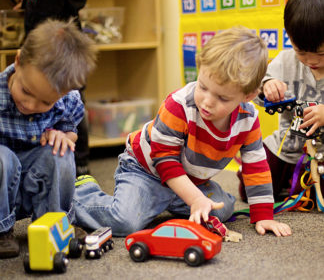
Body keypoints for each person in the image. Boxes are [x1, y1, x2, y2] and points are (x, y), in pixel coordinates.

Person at [73, 27, 291, 238]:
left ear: (248, 95)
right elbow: (165, 160)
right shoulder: (178, 105)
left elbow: (256, 166)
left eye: (222, 98)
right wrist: (195, 198)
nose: (207, 102)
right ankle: (81, 194)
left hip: (189, 178)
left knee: (222, 211)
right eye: (203, 87)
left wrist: (263, 216)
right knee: (126, 221)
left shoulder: (249, 118)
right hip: (147, 171)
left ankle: (171, 198)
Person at [0, 19, 96, 258]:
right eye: (26, 91)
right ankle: (2, 231)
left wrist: (63, 136)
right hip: (3, 184)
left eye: (45, 103)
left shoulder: (67, 100)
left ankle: (55, 223)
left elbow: (70, 131)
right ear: (19, 61)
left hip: (38, 181)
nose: (30, 105)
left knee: (61, 152)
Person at [238, 0, 324, 202]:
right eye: (301, 52)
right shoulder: (286, 61)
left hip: (322, 154)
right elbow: (254, 92)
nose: (312, 61)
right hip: (286, 146)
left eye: (321, 54)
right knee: (251, 192)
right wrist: (267, 86)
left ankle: (301, 187)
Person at [13, 0, 91, 176]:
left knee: (69, 104)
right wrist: (29, 0)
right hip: (53, 45)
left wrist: (31, 6)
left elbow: (47, 9)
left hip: (54, 49)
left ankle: (79, 165)